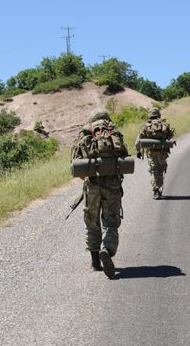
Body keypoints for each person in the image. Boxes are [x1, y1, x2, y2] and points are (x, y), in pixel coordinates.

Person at [71, 109, 129, 278]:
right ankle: (107, 249)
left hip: (92, 184)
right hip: (112, 183)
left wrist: (89, 176)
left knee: (92, 221)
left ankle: (95, 262)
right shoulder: (113, 131)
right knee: (111, 221)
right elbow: (124, 156)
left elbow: (74, 163)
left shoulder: (85, 134)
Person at [135, 108, 175, 199]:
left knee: (154, 170)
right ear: (158, 115)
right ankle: (159, 188)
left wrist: (138, 151)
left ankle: (156, 190)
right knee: (161, 169)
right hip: (163, 152)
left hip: (152, 152)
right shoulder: (164, 124)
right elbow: (170, 136)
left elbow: (138, 141)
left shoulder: (146, 126)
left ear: (150, 115)